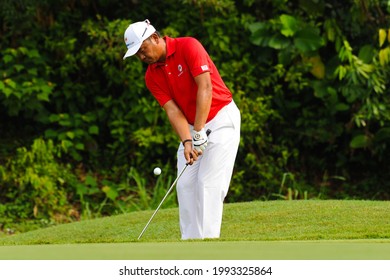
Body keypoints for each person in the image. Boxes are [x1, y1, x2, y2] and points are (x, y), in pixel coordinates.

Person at [123, 19, 241, 240]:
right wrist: (188, 141)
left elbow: (205, 87)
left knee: (208, 183)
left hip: (220, 118)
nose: (141, 57)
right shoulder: (151, 76)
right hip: (191, 127)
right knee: (185, 185)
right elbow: (172, 110)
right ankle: (191, 245)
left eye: (142, 50)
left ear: (155, 38)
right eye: (137, 54)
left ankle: (208, 244)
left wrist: (198, 132)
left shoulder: (189, 46)